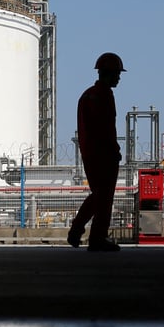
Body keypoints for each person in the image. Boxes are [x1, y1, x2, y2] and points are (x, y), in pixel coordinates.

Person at [68, 52, 125, 252]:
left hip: (90, 152)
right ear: (108, 73)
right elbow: (105, 127)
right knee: (104, 197)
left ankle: (79, 230)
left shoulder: (87, 94)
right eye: (117, 74)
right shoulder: (103, 95)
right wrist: (113, 149)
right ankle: (96, 237)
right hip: (103, 153)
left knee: (98, 195)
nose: (119, 78)